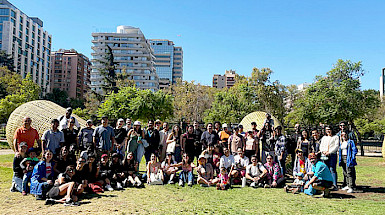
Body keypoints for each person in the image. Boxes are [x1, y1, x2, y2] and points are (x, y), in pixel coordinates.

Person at [319, 126, 339, 190]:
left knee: (332, 169)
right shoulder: (324, 137)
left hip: (332, 155)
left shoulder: (335, 137)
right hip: (324, 155)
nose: (328, 131)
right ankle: (327, 184)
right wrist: (323, 151)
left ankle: (334, 184)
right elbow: (321, 146)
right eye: (326, 130)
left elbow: (336, 146)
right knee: (326, 169)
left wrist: (329, 152)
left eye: (329, 129)